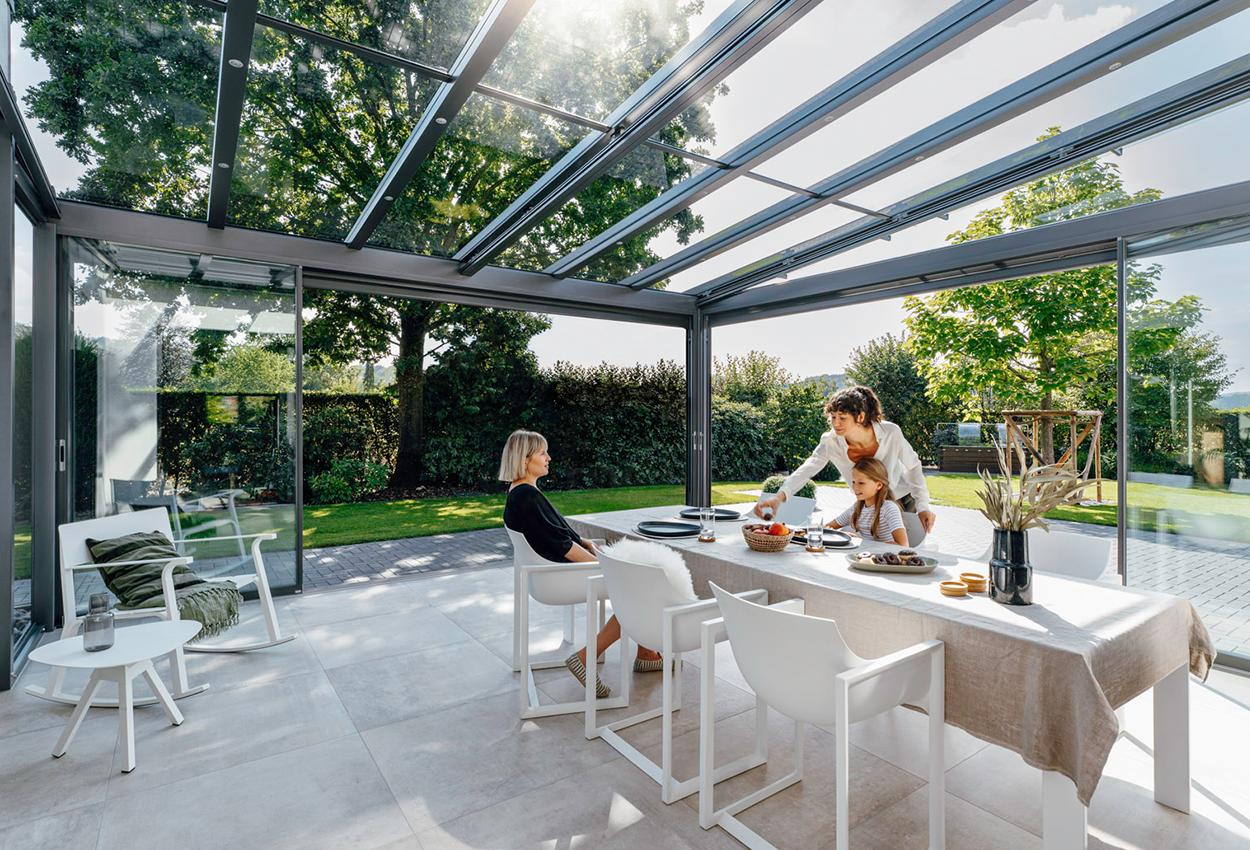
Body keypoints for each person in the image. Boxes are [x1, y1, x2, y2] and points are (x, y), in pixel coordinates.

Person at [500, 429, 662, 698]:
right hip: (558, 579)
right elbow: (563, 547)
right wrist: (606, 565)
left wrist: (585, 542)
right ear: (525, 460)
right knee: (640, 587)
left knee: (638, 578)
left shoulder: (522, 492)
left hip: (551, 573)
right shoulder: (526, 497)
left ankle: (647, 653)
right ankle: (587, 657)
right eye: (543, 453)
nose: (549, 458)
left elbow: (555, 535)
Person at [754, 386, 936, 534]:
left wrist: (923, 506)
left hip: (902, 500)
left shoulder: (890, 432)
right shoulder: (830, 441)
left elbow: (913, 466)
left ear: (860, 417)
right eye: (833, 417)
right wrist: (779, 497)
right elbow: (807, 469)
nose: (836, 424)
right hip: (868, 503)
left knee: (900, 553)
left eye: (842, 418)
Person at [827, 458, 908, 545]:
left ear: (879, 485)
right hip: (864, 556)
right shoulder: (857, 507)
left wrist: (863, 542)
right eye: (853, 482)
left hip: (884, 557)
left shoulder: (889, 508)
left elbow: (903, 545)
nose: (854, 487)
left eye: (861, 483)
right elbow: (828, 526)